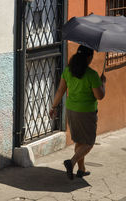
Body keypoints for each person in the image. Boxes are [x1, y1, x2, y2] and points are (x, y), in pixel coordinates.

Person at [49, 45, 106, 180]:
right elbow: (100, 96)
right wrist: (103, 83)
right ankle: (72, 161)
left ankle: (81, 169)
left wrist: (54, 107)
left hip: (71, 110)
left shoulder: (68, 71)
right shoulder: (92, 75)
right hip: (86, 113)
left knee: (80, 140)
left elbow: (60, 91)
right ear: (89, 57)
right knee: (89, 142)